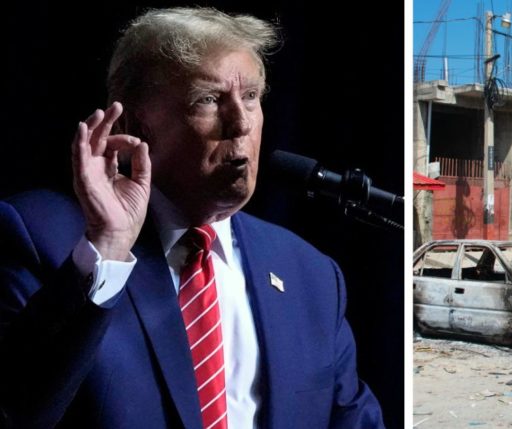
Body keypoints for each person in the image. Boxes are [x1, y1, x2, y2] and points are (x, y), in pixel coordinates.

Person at [0, 7, 384, 429]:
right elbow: (15, 411)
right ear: (134, 125)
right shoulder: (40, 236)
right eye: (208, 100)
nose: (240, 123)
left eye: (251, 97)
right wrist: (107, 247)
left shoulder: (310, 275)